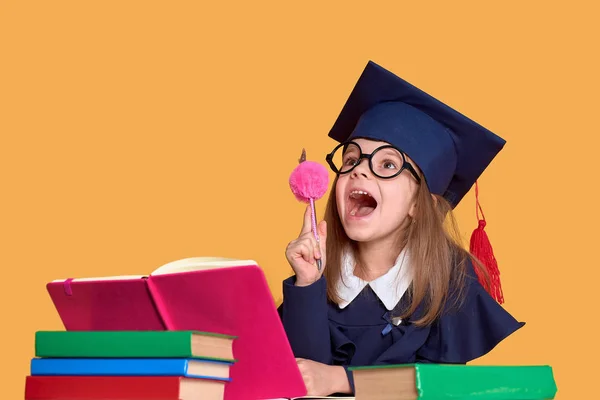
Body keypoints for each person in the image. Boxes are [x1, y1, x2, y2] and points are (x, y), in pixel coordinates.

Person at [278, 61, 525, 396]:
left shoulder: (448, 278)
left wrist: (342, 381)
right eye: (351, 160)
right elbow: (300, 383)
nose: (359, 172)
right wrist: (307, 284)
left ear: (418, 206)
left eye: (388, 164)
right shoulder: (319, 276)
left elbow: (442, 387)